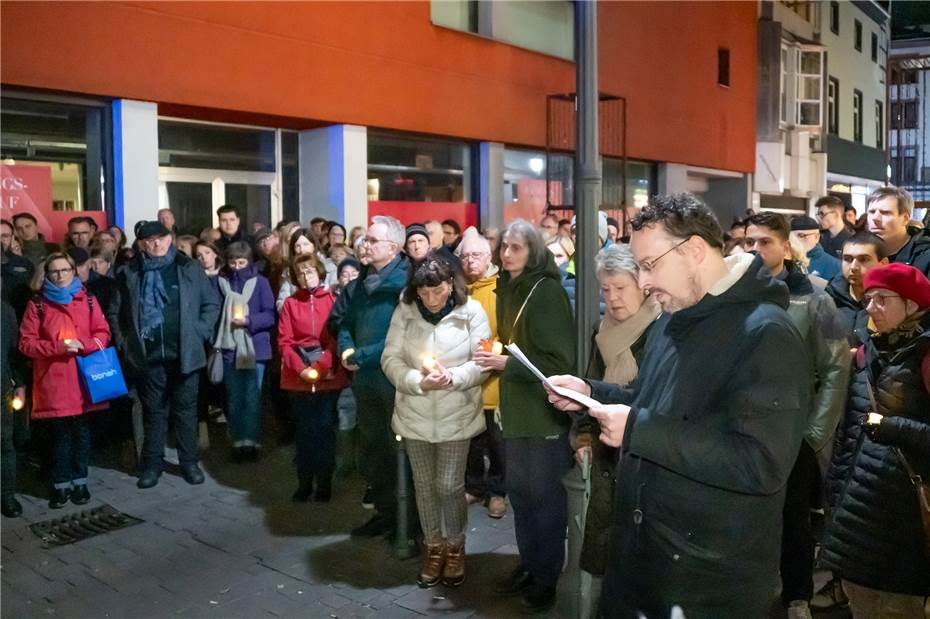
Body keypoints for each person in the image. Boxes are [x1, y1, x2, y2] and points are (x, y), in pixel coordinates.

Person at [546, 193, 810, 618]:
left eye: (649, 265)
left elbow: (760, 462)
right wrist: (591, 394)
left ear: (692, 249)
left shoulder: (766, 334)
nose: (644, 282)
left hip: (707, 583)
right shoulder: (674, 317)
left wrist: (637, 428)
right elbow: (650, 403)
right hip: (645, 563)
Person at [745, 212, 851, 619]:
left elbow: (836, 366)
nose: (755, 250)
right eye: (750, 242)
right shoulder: (735, 291)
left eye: (765, 242)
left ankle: (797, 595)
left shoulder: (815, 298)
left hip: (794, 430)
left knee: (794, 520)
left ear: (786, 246)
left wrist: (814, 433)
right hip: (745, 424)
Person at [474, 219, 576, 613]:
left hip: (543, 415)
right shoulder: (508, 287)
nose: (507, 254)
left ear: (534, 251)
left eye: (517, 247)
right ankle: (531, 564)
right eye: (504, 247)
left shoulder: (546, 291)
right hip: (516, 412)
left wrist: (504, 363)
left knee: (546, 501)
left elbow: (558, 361)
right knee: (522, 496)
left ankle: (546, 577)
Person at [820, 263, 930, 619]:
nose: (871, 309)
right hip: (858, 515)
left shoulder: (925, 357)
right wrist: (834, 491)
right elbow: (850, 431)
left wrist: (894, 427)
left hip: (903, 525)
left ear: (913, 305)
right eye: (868, 300)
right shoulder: (868, 352)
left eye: (882, 299)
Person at [382, 253, 490, 588]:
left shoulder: (471, 312)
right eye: (424, 293)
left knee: (449, 485)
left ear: (450, 284)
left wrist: (454, 377)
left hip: (456, 413)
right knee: (425, 487)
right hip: (414, 413)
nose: (431, 299)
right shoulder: (406, 311)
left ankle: (455, 545)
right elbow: (390, 357)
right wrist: (416, 380)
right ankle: (434, 547)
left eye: (437, 290)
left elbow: (483, 361)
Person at [573, 244, 661, 596]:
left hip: (644, 449)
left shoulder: (659, 328)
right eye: (606, 290)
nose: (613, 298)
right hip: (606, 450)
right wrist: (582, 436)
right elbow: (592, 384)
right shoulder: (604, 328)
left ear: (642, 284)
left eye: (621, 288)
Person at [113, 221, 220, 489]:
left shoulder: (188, 268)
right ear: (141, 244)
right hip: (147, 357)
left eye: (161, 238)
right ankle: (152, 465)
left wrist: (199, 331)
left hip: (185, 354)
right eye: (149, 240)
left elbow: (210, 304)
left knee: (186, 412)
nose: (156, 244)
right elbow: (116, 313)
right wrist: (125, 344)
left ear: (170, 238)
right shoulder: (130, 273)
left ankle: (189, 463)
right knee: (153, 413)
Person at [19, 251, 112, 508]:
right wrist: (59, 347)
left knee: (82, 435)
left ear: (74, 271)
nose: (60, 276)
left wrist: (83, 344)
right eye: (54, 271)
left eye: (65, 270)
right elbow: (27, 344)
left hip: (84, 379)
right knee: (59, 437)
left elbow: (103, 333)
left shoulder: (88, 299)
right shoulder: (37, 305)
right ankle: (61, 484)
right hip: (54, 381)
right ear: (46, 274)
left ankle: (80, 482)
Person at [338, 215, 411, 537]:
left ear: (393, 247)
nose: (364, 245)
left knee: (401, 450)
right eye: (365, 239)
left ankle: (408, 520)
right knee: (374, 447)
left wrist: (361, 355)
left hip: (392, 378)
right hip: (364, 378)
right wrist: (346, 350)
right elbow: (344, 323)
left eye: (371, 240)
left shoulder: (407, 283)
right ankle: (385, 511)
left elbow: (404, 334)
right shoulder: (360, 285)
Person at [278, 253, 347, 501]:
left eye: (310, 271)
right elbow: (285, 342)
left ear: (319, 272)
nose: (306, 276)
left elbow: (334, 339)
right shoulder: (290, 303)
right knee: (304, 432)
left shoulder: (331, 300)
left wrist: (320, 365)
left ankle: (325, 482)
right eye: (300, 273)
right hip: (299, 378)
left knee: (325, 430)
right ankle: (304, 481)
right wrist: (302, 369)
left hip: (327, 375)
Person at [458, 231, 507, 519]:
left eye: (475, 255)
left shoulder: (500, 287)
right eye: (464, 256)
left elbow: (503, 328)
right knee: (472, 440)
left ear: (489, 257)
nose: (469, 261)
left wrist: (489, 357)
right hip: (465, 378)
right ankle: (474, 486)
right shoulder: (458, 287)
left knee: (497, 440)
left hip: (493, 375)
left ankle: (498, 491)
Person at [214, 241, 276, 462]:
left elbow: (270, 314)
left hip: (254, 348)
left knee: (252, 396)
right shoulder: (221, 283)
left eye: (241, 262)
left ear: (249, 262)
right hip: (230, 347)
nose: (237, 267)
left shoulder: (260, 283)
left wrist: (249, 321)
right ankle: (237, 441)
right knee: (233, 397)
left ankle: (250, 441)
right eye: (232, 262)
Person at [826, 232, 889, 346]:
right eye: (848, 259)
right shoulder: (828, 298)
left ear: (883, 263)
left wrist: (863, 355)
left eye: (864, 259)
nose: (854, 267)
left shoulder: (893, 302)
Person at [1, 298, 28, 517]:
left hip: (2, 390)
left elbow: (14, 350)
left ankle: (7, 496)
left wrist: (19, 383)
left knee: (5, 445)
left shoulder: (5, 310)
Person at [866, 186, 930, 276]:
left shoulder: (925, 257)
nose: (875, 218)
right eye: (872, 212)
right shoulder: (860, 250)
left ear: (905, 219)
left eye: (885, 212)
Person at [277, 228, 325, 310]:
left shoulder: (328, 267)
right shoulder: (289, 271)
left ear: (314, 245)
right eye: (298, 246)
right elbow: (282, 301)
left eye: (306, 244)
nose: (302, 249)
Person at [1, 220, 35, 320]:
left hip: (17, 320)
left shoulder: (25, 264)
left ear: (12, 238)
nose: (0, 240)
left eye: (5, 236)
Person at [791, 215, 841, 280]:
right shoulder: (783, 261)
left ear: (816, 237)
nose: (796, 241)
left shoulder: (835, 265)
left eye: (802, 236)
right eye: (791, 237)